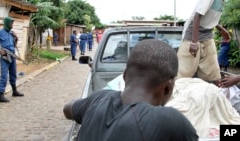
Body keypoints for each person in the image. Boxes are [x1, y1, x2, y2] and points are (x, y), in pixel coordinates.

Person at [63, 39, 198, 141]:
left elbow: (67, 109)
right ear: (168, 87)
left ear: (125, 75)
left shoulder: (98, 98)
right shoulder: (171, 121)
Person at [177, 0, 231, 86]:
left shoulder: (222, 1)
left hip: (208, 34)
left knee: (214, 73)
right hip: (193, 35)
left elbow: (209, 19)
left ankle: (219, 95)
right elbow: (197, 15)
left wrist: (221, 29)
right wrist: (194, 42)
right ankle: (175, 96)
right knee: (182, 76)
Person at [0, 17, 24, 103]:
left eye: (13, 23)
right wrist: (0, 51)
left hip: (12, 55)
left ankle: (14, 91)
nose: (12, 25)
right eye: (11, 23)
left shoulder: (11, 33)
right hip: (5, 56)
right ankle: (1, 95)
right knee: (4, 76)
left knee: (13, 74)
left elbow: (14, 45)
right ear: (7, 23)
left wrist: (16, 38)